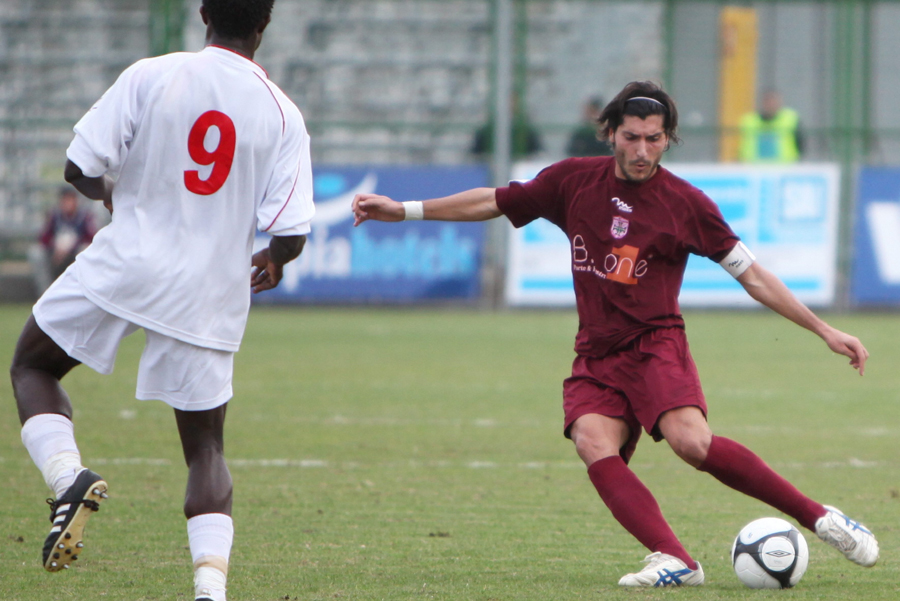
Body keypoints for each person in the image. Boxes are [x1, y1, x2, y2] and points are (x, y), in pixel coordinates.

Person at [351, 81, 878, 588]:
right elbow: (494, 200)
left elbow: (753, 275)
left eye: (654, 138)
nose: (643, 150)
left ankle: (822, 519)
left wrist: (823, 329)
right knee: (591, 439)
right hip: (598, 351)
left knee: (690, 443)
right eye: (631, 137)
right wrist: (405, 210)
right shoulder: (572, 182)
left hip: (655, 343)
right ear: (610, 134)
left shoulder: (686, 204)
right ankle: (674, 557)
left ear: (668, 138)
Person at [9, 2, 314, 600]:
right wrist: (275, 260)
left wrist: (116, 195)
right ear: (265, 26)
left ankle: (69, 477)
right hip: (209, 291)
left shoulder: (152, 74)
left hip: (128, 263)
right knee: (205, 449)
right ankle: (209, 590)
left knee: (32, 365)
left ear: (203, 12)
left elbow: (79, 167)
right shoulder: (283, 114)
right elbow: (292, 229)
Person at [30, 187, 98, 295]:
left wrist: (70, 246)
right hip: (55, 254)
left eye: (71, 199)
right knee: (36, 252)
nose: (68, 203)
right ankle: (46, 293)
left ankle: (82, 292)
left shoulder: (84, 216)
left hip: (75, 254)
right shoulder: (54, 215)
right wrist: (57, 246)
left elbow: (92, 238)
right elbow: (43, 238)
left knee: (84, 250)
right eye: (65, 199)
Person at [471, 93, 543, 160]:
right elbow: (474, 156)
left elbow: (537, 155)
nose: (508, 104)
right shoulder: (485, 131)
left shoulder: (527, 131)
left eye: (512, 100)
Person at [739, 89, 803, 163]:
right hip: (754, 169)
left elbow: (800, 143)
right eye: (767, 101)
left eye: (773, 101)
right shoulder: (749, 121)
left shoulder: (790, 119)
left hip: (784, 168)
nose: (770, 104)